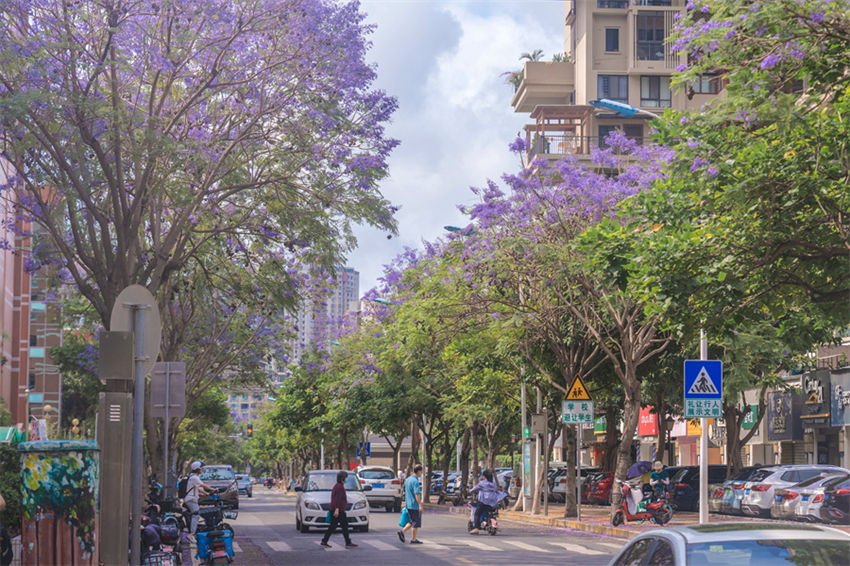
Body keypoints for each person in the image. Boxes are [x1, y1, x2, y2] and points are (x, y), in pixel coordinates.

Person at [320, 471, 357, 548]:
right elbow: (337, 499)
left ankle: (324, 541)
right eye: (345, 478)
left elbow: (338, 497)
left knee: (334, 526)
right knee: (343, 526)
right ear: (342, 478)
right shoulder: (339, 486)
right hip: (338, 510)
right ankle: (347, 542)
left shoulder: (338, 486)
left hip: (336, 508)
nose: (346, 479)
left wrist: (345, 501)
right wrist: (337, 509)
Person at [468, 470, 505, 534]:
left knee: (477, 513)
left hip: (484, 501)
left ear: (484, 476)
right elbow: (496, 490)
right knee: (489, 511)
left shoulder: (482, 483)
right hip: (493, 502)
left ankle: (476, 528)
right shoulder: (493, 484)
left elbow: (474, 489)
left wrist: (469, 491)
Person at [184, 461, 214, 535]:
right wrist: (213, 489)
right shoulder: (194, 477)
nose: (202, 470)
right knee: (196, 515)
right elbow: (203, 485)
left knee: (194, 514)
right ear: (197, 469)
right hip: (191, 499)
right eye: (201, 469)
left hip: (191, 499)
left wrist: (206, 493)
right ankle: (192, 532)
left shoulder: (192, 477)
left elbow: (198, 488)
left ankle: (193, 529)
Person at [398, 464, 423, 544]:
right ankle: (408, 535)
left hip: (408, 504)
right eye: (421, 471)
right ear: (419, 471)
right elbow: (416, 494)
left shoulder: (408, 479)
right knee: (415, 522)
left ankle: (413, 538)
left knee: (412, 521)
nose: (422, 472)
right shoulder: (415, 481)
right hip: (414, 505)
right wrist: (420, 505)